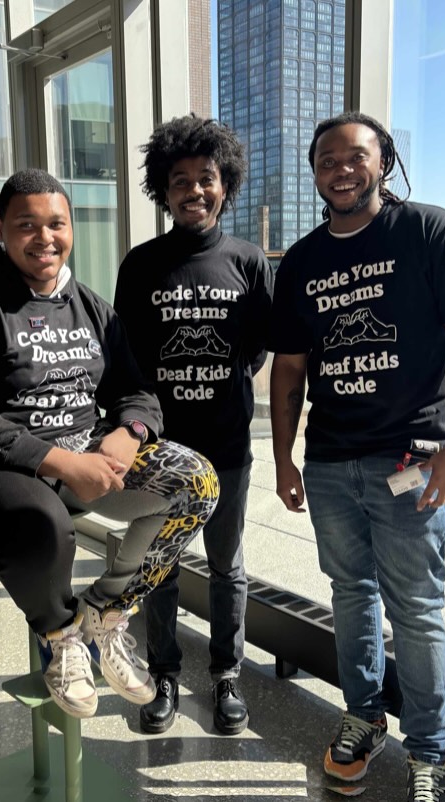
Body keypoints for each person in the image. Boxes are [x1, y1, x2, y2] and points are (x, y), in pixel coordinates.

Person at [0, 168, 219, 719]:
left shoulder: (91, 306)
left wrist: (129, 433)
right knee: (44, 522)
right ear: (0, 229)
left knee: (196, 484)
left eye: (56, 223)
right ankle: (62, 637)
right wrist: (61, 461)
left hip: (83, 456)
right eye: (26, 224)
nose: (44, 237)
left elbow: (134, 388)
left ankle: (105, 613)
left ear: (71, 227)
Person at [269, 111, 445, 802]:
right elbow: (288, 370)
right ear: (315, 172)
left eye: (356, 155)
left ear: (385, 161)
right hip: (333, 464)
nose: (341, 168)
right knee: (350, 595)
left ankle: (430, 751)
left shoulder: (430, 231)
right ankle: (363, 716)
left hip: (414, 461)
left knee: (417, 608)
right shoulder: (305, 260)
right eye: (326, 159)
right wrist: (284, 458)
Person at [114, 114, 273, 735]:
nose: (194, 191)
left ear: (224, 185)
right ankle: (165, 676)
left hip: (228, 444)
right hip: (164, 453)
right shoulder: (142, 264)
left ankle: (227, 676)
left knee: (228, 565)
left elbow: (258, 350)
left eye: (206, 179)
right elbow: (127, 357)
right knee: (162, 564)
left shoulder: (249, 260)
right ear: (164, 190)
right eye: (180, 181)